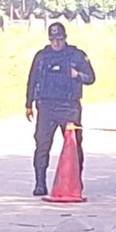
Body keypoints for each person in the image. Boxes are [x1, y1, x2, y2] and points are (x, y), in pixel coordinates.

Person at [25, 22, 96, 196]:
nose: (56, 43)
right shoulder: (42, 57)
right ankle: (40, 183)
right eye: (52, 39)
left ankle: (76, 182)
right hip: (46, 106)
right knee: (42, 146)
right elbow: (32, 80)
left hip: (69, 107)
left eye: (59, 39)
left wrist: (77, 75)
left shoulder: (77, 56)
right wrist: (28, 104)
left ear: (65, 38)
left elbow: (91, 78)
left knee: (74, 146)